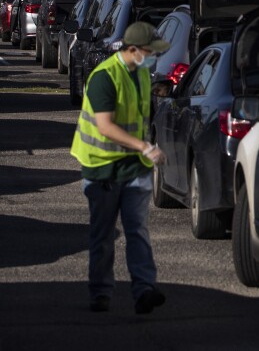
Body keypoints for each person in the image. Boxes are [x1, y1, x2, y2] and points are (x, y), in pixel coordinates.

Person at [70, 21, 171, 315]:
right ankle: (100, 292)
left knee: (137, 230)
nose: (153, 56)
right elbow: (105, 126)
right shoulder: (104, 77)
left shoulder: (140, 73)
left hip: (132, 169)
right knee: (102, 236)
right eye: (150, 52)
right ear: (133, 49)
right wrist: (143, 147)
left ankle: (144, 290)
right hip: (102, 169)